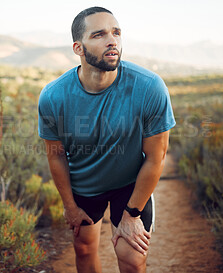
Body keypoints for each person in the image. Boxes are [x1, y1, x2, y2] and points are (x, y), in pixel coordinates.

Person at [38, 6, 175, 273]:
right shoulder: (53, 96)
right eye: (99, 34)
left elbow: (156, 157)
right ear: (78, 48)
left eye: (116, 33)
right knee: (85, 249)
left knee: (132, 256)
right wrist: (70, 207)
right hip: (85, 185)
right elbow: (55, 154)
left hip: (130, 185)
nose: (112, 40)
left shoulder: (149, 86)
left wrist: (132, 214)